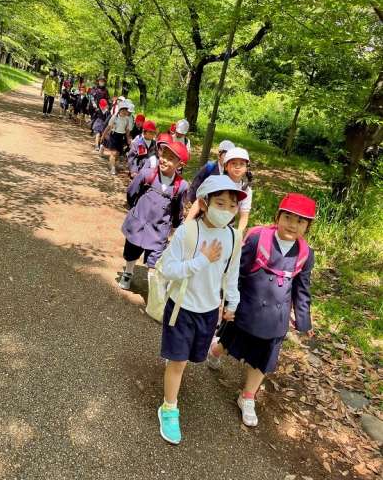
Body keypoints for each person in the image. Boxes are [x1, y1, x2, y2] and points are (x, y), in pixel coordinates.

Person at [207, 193, 316, 428]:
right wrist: (229, 302)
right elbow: (237, 271)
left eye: (300, 221)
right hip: (247, 306)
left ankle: (247, 396)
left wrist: (303, 320)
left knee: (264, 357)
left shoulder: (305, 255)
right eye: (288, 217)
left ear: (307, 226)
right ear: (278, 217)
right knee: (230, 338)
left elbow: (302, 289)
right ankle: (215, 351)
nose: (292, 225)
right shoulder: (258, 239)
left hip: (276, 318)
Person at [156, 175, 246, 445]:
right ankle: (169, 408)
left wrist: (232, 302)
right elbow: (168, 268)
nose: (227, 210)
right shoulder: (188, 232)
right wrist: (201, 261)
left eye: (232, 206)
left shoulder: (233, 236)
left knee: (191, 358)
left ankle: (175, 365)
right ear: (204, 203)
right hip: (181, 308)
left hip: (208, 311)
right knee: (178, 362)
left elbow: (231, 273)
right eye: (220, 203)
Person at [118, 141, 190, 292]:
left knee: (155, 261)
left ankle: (154, 292)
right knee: (131, 251)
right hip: (139, 223)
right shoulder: (147, 174)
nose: (164, 160)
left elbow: (178, 208)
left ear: (180, 164)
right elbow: (131, 192)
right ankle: (128, 272)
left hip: (159, 230)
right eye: (164, 155)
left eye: (171, 158)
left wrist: (177, 224)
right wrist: (136, 210)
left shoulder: (181, 186)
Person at [187, 140, 235, 205]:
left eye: (230, 158)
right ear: (219, 155)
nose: (227, 160)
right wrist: (190, 201)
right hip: (202, 203)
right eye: (226, 156)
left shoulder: (231, 173)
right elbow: (196, 184)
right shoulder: (210, 167)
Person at [222, 147, 253, 233]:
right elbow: (199, 202)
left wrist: (238, 233)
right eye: (233, 163)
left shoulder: (246, 190)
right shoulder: (217, 181)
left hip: (227, 226)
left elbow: (244, 215)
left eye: (242, 164)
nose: (237, 166)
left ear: (246, 168)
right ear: (226, 166)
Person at [101, 98, 134, 175]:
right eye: (124, 110)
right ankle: (112, 168)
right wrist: (103, 135)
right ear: (120, 110)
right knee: (113, 153)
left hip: (121, 137)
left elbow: (127, 130)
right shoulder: (114, 117)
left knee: (118, 153)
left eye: (126, 110)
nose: (125, 112)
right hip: (114, 136)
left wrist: (128, 139)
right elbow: (108, 127)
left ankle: (112, 164)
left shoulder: (127, 119)